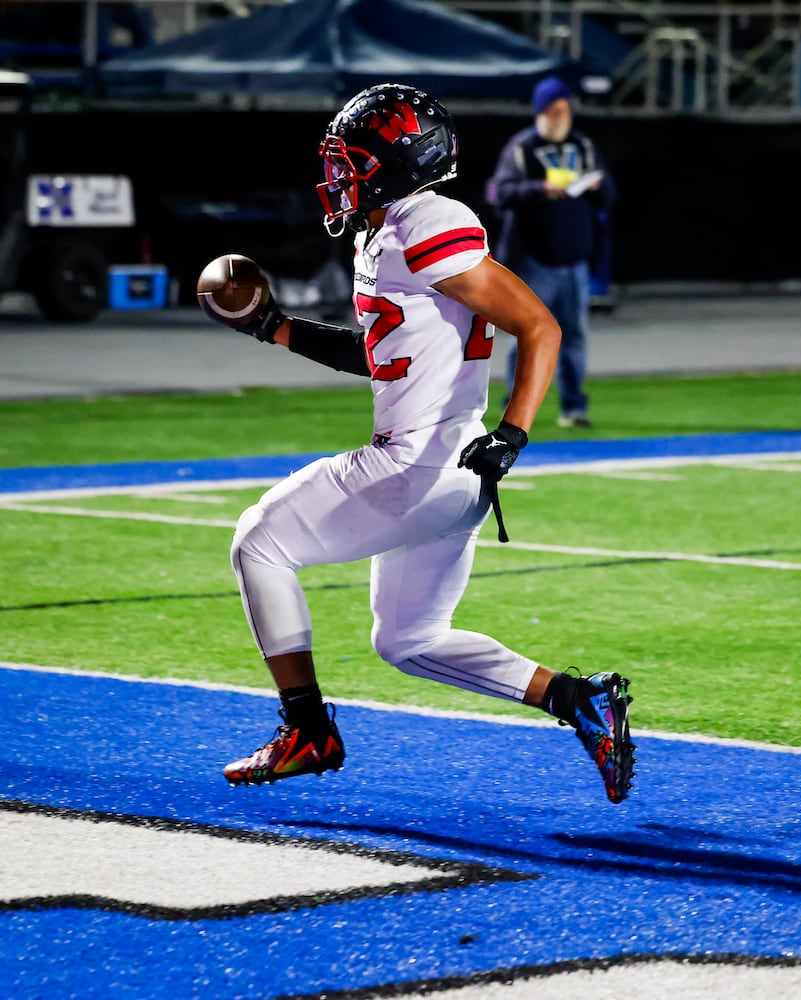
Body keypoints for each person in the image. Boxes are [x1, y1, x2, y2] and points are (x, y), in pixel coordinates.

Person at [200, 83, 636, 804]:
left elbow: (540, 324)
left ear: (395, 163)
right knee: (408, 639)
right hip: (455, 478)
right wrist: (272, 327)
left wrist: (516, 432)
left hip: (419, 464)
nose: (339, 173)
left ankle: (305, 729)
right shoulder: (388, 231)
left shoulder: (426, 220)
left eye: (353, 160)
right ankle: (576, 699)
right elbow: (383, 353)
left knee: (258, 542)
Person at [486, 75, 615, 429]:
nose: (562, 117)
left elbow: (609, 197)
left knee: (573, 336)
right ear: (541, 112)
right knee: (527, 335)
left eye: (566, 110)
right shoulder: (522, 148)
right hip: (534, 261)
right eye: (555, 110)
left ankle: (574, 405)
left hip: (574, 261)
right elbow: (499, 193)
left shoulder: (583, 146)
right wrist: (541, 189)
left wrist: (597, 186)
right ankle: (514, 407)